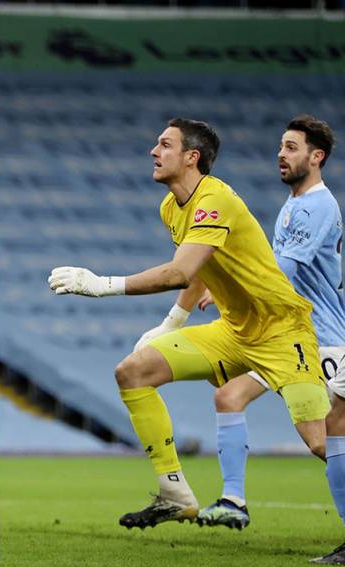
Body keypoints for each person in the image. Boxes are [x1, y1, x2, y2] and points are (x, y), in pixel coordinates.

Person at [47, 118, 328, 529]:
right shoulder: (170, 207)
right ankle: (175, 493)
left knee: (320, 441)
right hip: (233, 331)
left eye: (164, 144)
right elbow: (200, 268)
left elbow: (180, 271)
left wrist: (102, 285)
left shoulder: (216, 200)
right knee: (133, 371)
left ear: (191, 157)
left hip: (284, 332)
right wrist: (172, 322)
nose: (153, 152)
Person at [186, 116, 344, 532]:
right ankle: (233, 499)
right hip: (283, 336)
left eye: (292, 147)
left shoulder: (318, 206)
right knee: (229, 396)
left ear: (317, 156)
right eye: (281, 146)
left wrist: (231, 292)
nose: (281, 154)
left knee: (321, 441)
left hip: (318, 340)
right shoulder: (296, 204)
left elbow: (283, 273)